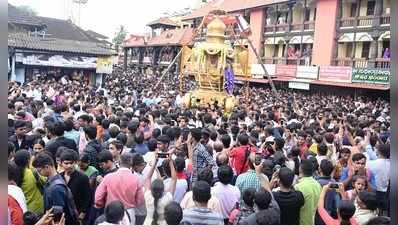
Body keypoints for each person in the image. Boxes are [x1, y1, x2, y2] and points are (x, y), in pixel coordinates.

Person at [95, 153, 145, 225]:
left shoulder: (109, 177)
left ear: (119, 162)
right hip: (129, 214)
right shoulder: (136, 179)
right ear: (131, 163)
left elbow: (98, 198)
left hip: (111, 212)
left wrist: (101, 205)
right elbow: (140, 200)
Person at [32, 152, 79, 225]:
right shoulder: (54, 179)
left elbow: (58, 215)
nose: (39, 173)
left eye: (39, 170)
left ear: (47, 167)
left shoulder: (56, 188)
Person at [59, 149, 91, 224]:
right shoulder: (59, 177)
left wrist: (83, 213)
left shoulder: (82, 177)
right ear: (61, 163)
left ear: (76, 162)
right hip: (64, 216)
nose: (69, 166)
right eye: (66, 163)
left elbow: (88, 197)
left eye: (71, 163)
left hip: (77, 215)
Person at [14, 149, 44, 214]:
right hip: (36, 209)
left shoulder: (13, 173)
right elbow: (44, 181)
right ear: (28, 161)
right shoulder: (32, 172)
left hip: (21, 209)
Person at [294, 159, 321, 225]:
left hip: (301, 222)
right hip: (312, 221)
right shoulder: (318, 185)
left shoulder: (298, 187)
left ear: (300, 170)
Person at [367, 143, 390, 213]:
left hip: (374, 190)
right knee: (383, 210)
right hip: (386, 191)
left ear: (379, 152)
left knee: (374, 210)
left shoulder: (371, 163)